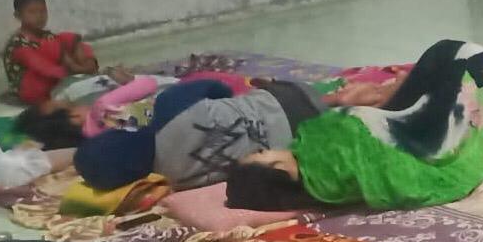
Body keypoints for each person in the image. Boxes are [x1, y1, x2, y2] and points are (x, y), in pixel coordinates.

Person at [226, 40, 483, 212]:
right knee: (464, 60)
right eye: (261, 155)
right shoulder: (325, 174)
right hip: (423, 138)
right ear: (276, 171)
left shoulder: (308, 154)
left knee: (447, 55)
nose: (267, 149)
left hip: (404, 121)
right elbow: (378, 155)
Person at [73, 77, 326, 191]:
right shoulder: (168, 106)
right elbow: (218, 88)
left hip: (305, 142)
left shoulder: (177, 181)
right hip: (294, 100)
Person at [3, 0, 98, 105]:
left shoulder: (47, 36)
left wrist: (84, 64)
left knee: (69, 39)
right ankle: (82, 75)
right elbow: (42, 67)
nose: (39, 16)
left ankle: (87, 70)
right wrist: (74, 70)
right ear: (18, 16)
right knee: (55, 46)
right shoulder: (18, 44)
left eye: (43, 11)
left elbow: (64, 52)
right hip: (31, 89)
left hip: (56, 79)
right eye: (32, 12)